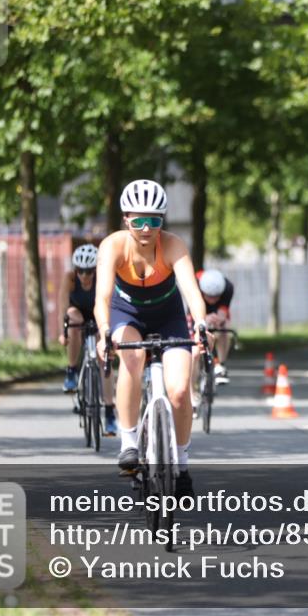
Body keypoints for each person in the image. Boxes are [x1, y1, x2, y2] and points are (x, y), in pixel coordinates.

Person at [94, 179, 208, 498]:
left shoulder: (173, 245)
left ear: (162, 221)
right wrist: (104, 332)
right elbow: (102, 298)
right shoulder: (113, 246)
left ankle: (182, 464)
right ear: (126, 219)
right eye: (139, 220)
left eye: (154, 221)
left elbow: (191, 291)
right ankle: (129, 442)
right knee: (132, 357)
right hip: (125, 314)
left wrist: (200, 323)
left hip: (168, 316)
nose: (146, 228)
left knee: (180, 391)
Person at [59, 244, 118, 433]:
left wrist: (109, 332)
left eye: (89, 272)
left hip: (99, 315)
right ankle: (71, 370)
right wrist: (63, 331)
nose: (84, 276)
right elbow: (63, 306)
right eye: (80, 271)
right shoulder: (69, 279)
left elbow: (112, 304)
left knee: (104, 359)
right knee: (73, 322)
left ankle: (109, 412)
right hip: (77, 314)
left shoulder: (104, 277)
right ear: (75, 270)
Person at [195, 269, 234, 386]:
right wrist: (204, 319)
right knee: (195, 329)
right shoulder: (195, 284)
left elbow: (223, 311)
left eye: (216, 297)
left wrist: (219, 320)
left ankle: (221, 365)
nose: (212, 300)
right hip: (198, 304)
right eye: (210, 297)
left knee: (223, 327)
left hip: (216, 310)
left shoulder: (228, 288)